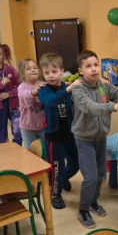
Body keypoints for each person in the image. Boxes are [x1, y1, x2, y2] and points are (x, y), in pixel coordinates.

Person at [71, 50, 118, 228]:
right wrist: (114, 107)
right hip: (84, 139)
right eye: (88, 66)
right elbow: (91, 107)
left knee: (101, 174)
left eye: (96, 65)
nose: (94, 69)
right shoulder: (78, 89)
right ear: (81, 70)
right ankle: (83, 209)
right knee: (91, 177)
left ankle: (93, 202)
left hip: (101, 137)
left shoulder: (103, 85)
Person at [38, 53, 82, 209]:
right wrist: (68, 89)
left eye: (54, 71)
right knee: (57, 167)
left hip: (69, 133)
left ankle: (62, 179)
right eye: (47, 72)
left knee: (76, 163)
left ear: (62, 71)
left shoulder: (65, 86)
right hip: (54, 136)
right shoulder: (43, 90)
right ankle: (55, 194)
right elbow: (52, 100)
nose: (51, 75)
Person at [17, 58, 47, 150]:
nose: (33, 70)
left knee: (45, 151)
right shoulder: (22, 87)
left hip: (43, 126)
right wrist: (34, 92)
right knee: (32, 152)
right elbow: (26, 100)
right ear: (23, 73)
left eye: (35, 68)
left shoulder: (44, 84)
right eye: (28, 69)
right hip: (28, 128)